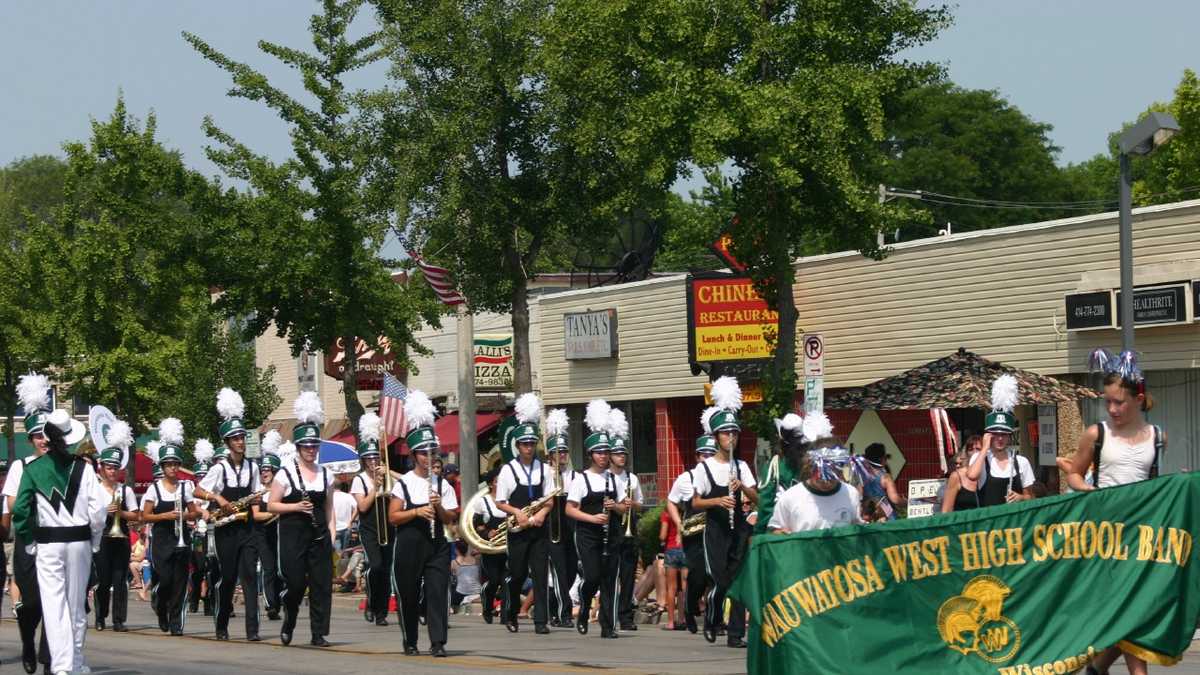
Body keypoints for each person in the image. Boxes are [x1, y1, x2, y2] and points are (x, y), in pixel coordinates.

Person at [1067, 351, 1164, 675]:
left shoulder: (1157, 437)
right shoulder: (1097, 434)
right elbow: (1074, 474)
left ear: (1137, 399)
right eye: (1108, 401)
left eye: (1119, 402)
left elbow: (1154, 486)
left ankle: (1097, 667)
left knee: (1132, 612)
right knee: (1129, 610)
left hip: (1141, 537)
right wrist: (1092, 493)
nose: (1112, 409)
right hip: (1106, 539)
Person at [11, 400, 105, 675]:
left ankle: (62, 667)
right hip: (80, 543)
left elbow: (20, 510)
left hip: (48, 545)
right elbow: (98, 511)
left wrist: (28, 541)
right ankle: (75, 663)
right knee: (76, 605)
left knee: (54, 608)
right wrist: (95, 541)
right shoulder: (84, 468)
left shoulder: (33, 469)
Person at [388, 389, 458, 657]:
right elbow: (393, 516)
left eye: (432, 451)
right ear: (414, 455)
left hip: (436, 543)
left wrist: (438, 504)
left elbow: (452, 518)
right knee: (407, 592)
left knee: (438, 591)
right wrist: (417, 512)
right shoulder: (404, 482)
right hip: (409, 541)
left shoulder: (442, 483)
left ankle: (438, 642)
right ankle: (410, 640)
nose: (429, 457)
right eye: (423, 453)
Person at [690, 377, 758, 649]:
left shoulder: (741, 465)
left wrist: (742, 487)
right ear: (716, 437)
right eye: (726, 433)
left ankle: (735, 635)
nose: (732, 438)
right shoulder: (704, 468)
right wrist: (717, 500)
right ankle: (712, 617)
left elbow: (759, 499)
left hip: (739, 529)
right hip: (716, 531)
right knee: (720, 580)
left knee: (739, 581)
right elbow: (694, 503)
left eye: (735, 433)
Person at [194, 388, 263, 642]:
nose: (240, 442)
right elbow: (197, 490)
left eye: (242, 437)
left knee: (250, 577)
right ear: (227, 443)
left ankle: (252, 630)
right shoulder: (220, 468)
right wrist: (218, 498)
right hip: (226, 529)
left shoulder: (253, 467)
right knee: (229, 576)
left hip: (247, 528)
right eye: (235, 439)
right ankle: (221, 622)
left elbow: (256, 496)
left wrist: (257, 500)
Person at [268, 392, 336, 647]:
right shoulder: (285, 474)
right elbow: (271, 505)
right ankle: (290, 619)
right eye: (306, 446)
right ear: (297, 447)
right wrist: (295, 506)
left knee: (321, 586)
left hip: (318, 536)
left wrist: (331, 534)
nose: (311, 450)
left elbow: (329, 507)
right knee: (296, 583)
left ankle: (319, 633)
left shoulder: (325, 474)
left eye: (314, 445)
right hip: (292, 536)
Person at [495, 393, 554, 634]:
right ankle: (510, 613)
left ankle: (541, 621)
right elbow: (500, 502)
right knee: (517, 573)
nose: (528, 448)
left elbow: (550, 498)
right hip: (518, 528)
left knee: (540, 574)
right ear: (517, 446)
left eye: (531, 444)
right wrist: (517, 513)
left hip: (539, 526)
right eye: (524, 444)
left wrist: (542, 513)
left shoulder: (545, 468)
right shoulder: (508, 470)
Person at [140, 419, 201, 637]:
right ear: (162, 467)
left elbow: (195, 512)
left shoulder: (186, 487)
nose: (173, 468)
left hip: (181, 536)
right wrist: (164, 515)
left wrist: (184, 515)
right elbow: (144, 515)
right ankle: (160, 605)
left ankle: (176, 622)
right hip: (162, 538)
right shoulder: (153, 489)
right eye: (169, 464)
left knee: (180, 582)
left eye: (176, 464)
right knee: (164, 580)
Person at [565, 404, 621, 639]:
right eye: (599, 453)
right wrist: (592, 518)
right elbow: (570, 510)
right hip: (588, 533)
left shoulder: (614, 478)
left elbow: (624, 506)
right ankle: (585, 606)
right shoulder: (581, 479)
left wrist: (615, 506)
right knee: (593, 576)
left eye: (606, 452)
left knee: (609, 580)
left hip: (611, 532)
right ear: (591, 455)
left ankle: (608, 626)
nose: (603, 456)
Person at [768, 412, 866, 533]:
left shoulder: (851, 494)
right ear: (810, 466)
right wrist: (780, 534)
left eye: (833, 474)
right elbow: (774, 531)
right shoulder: (789, 498)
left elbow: (856, 529)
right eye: (822, 473)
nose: (826, 481)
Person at [665, 435, 717, 634]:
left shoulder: (721, 474)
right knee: (698, 575)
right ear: (697, 457)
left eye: (712, 454)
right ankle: (689, 608)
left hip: (714, 532)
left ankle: (714, 620)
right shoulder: (685, 478)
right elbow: (671, 501)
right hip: (693, 533)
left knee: (716, 576)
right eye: (704, 454)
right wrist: (678, 523)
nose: (708, 458)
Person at [348, 413, 395, 626]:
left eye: (375, 457)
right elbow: (363, 506)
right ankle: (372, 602)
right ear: (363, 460)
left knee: (386, 570)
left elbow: (401, 489)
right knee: (375, 566)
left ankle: (381, 612)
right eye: (369, 459)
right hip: (369, 529)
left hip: (388, 527)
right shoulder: (359, 480)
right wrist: (375, 487)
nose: (373, 462)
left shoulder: (387, 475)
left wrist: (389, 475)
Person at [93, 425, 140, 633]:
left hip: (120, 537)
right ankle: (101, 615)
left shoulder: (126, 490)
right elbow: (88, 514)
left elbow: (136, 516)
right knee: (103, 580)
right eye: (109, 467)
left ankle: (119, 619)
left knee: (120, 580)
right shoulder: (94, 489)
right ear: (102, 467)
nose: (112, 471)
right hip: (102, 537)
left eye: (115, 467)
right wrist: (106, 511)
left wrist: (119, 511)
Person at [965, 375, 1035, 507]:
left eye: (1004, 434)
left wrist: (1021, 497)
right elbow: (972, 476)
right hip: (989, 524)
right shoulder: (980, 458)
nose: (1000, 438)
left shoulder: (1021, 462)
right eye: (996, 434)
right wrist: (985, 448)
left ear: (1009, 436)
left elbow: (1031, 497)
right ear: (989, 435)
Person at [606, 408, 643, 632]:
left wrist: (631, 505)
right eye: (618, 453)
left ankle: (626, 615)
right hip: (612, 530)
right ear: (610, 455)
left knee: (629, 574)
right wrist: (620, 506)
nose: (622, 457)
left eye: (624, 453)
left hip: (630, 530)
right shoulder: (605, 477)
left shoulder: (632, 478)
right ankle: (609, 612)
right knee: (612, 573)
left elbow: (640, 503)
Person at [543, 408, 577, 628]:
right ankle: (564, 614)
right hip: (551, 527)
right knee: (559, 571)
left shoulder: (575, 476)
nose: (562, 455)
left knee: (571, 571)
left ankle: (553, 606)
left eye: (565, 451)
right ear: (551, 455)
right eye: (558, 451)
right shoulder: (544, 474)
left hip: (570, 528)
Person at [473, 468, 508, 624]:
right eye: (497, 481)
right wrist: (487, 533)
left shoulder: (509, 500)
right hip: (491, 547)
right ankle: (487, 603)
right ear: (490, 484)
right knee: (494, 580)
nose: (500, 484)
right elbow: (477, 525)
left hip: (508, 546)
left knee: (507, 580)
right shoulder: (483, 501)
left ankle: (506, 616)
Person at [255, 432, 283, 620]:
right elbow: (256, 515)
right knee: (269, 569)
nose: (264, 473)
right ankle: (270, 605)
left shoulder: (282, 491)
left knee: (282, 570)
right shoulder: (257, 492)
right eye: (262, 470)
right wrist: (275, 512)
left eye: (268, 470)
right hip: (263, 535)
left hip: (281, 534)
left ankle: (280, 601)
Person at [187, 445, 216, 617]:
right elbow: (191, 510)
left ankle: (209, 602)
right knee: (198, 568)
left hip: (212, 533)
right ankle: (194, 597)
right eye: (199, 476)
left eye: (205, 476)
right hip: (198, 535)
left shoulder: (214, 492)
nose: (202, 478)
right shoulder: (192, 492)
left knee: (212, 567)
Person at [859, 443, 905, 521]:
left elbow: (859, 497)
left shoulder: (860, 476)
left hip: (868, 517)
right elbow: (895, 499)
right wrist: (906, 502)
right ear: (882, 459)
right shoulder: (885, 477)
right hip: (887, 516)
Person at [658, 502, 684, 631]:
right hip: (685, 550)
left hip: (672, 550)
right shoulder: (685, 514)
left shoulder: (666, 514)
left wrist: (662, 539)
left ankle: (670, 622)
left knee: (671, 588)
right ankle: (683, 619)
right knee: (683, 588)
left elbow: (663, 535)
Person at [332, 483, 357, 552]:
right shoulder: (348, 496)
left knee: (337, 552)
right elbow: (357, 508)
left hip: (334, 528)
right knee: (344, 551)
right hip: (346, 526)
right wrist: (351, 521)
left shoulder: (330, 497)